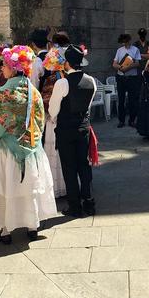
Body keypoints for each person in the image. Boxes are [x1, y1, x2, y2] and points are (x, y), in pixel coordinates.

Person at [0, 45, 57, 244]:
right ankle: (33, 226)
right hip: (31, 147)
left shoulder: (4, 91)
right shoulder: (33, 90)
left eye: (6, 65)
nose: (2, 69)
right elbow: (40, 118)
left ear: (14, 68)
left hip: (8, 149)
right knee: (29, 187)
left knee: (8, 189)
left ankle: (6, 230)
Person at [49, 45, 97, 217]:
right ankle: (89, 202)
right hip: (83, 128)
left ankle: (75, 205)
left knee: (69, 168)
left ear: (67, 63)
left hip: (66, 129)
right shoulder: (91, 80)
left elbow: (53, 110)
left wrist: (56, 120)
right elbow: (88, 106)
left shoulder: (62, 83)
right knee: (84, 165)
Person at [42, 47, 67, 198]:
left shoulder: (52, 80)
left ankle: (56, 186)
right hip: (65, 119)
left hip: (53, 120)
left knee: (54, 152)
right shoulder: (66, 78)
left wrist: (49, 113)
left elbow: (47, 101)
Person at [112, 33, 141, 128]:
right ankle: (121, 120)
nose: (124, 44)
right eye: (123, 42)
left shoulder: (135, 49)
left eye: (125, 42)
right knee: (121, 100)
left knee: (133, 100)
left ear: (129, 41)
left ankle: (132, 120)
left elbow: (137, 63)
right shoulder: (119, 50)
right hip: (121, 77)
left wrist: (128, 67)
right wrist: (120, 67)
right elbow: (114, 64)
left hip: (132, 77)